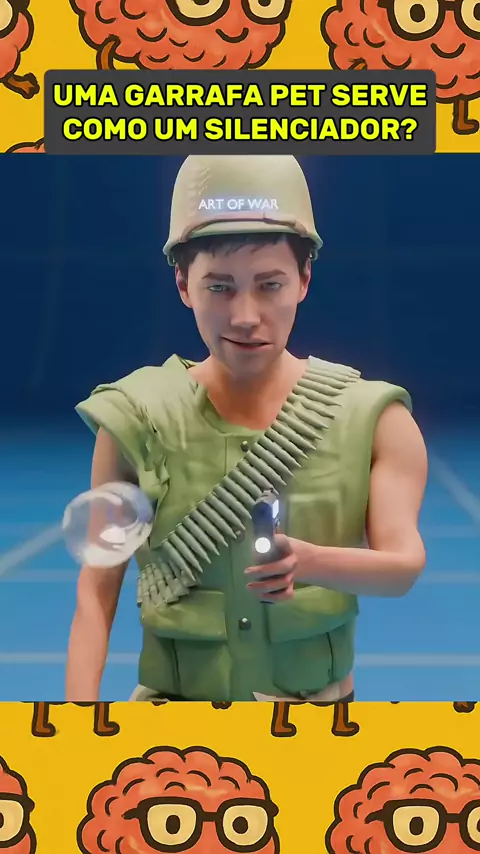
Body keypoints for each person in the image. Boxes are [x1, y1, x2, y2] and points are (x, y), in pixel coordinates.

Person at [66, 154, 428, 706]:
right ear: (183, 284)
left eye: (269, 284)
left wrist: (311, 561)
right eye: (219, 287)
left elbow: (402, 568)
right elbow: (97, 592)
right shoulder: (134, 418)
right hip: (176, 730)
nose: (245, 315)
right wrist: (77, 723)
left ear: (304, 280)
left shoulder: (373, 418)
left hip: (316, 724)